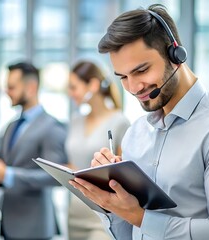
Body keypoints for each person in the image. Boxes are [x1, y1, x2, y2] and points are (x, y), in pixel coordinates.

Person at [69, 4, 209, 240]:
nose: (133, 87)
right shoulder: (136, 133)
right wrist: (111, 204)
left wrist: (140, 217)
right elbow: (129, 234)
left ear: (175, 54)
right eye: (123, 77)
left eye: (141, 70)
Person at [0, 62, 68, 240]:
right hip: (9, 223)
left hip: (35, 226)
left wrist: (8, 175)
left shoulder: (52, 127)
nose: (6, 92)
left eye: (11, 87)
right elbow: (2, 165)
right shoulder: (10, 127)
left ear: (31, 87)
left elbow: (55, 176)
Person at [66, 60, 130, 240]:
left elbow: (122, 172)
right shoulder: (75, 121)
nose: (70, 93)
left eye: (73, 87)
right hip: (75, 210)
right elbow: (73, 164)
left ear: (93, 85)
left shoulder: (119, 122)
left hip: (103, 212)